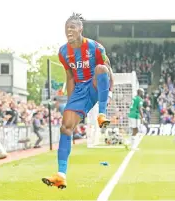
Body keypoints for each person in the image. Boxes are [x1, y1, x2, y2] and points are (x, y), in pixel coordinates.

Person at [42, 13, 114, 189]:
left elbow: (107, 70)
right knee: (65, 127)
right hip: (79, 91)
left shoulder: (95, 47)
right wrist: (71, 102)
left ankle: (102, 114)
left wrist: (108, 93)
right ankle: (61, 175)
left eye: (72, 27)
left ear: (80, 29)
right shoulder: (63, 52)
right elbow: (69, 76)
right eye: (67, 28)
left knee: (100, 67)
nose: (69, 31)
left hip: (95, 85)